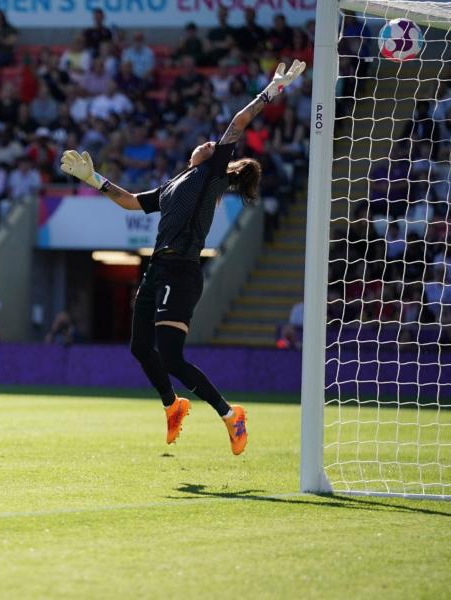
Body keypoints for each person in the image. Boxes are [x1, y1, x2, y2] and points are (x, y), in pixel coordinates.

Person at [60, 59, 307, 456]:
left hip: (182, 269)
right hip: (157, 267)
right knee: (141, 348)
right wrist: (94, 180)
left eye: (212, 144)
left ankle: (231, 415)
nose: (207, 142)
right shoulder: (177, 182)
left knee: (171, 356)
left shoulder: (210, 175)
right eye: (208, 142)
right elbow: (130, 202)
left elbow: (238, 124)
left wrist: (271, 90)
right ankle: (173, 405)